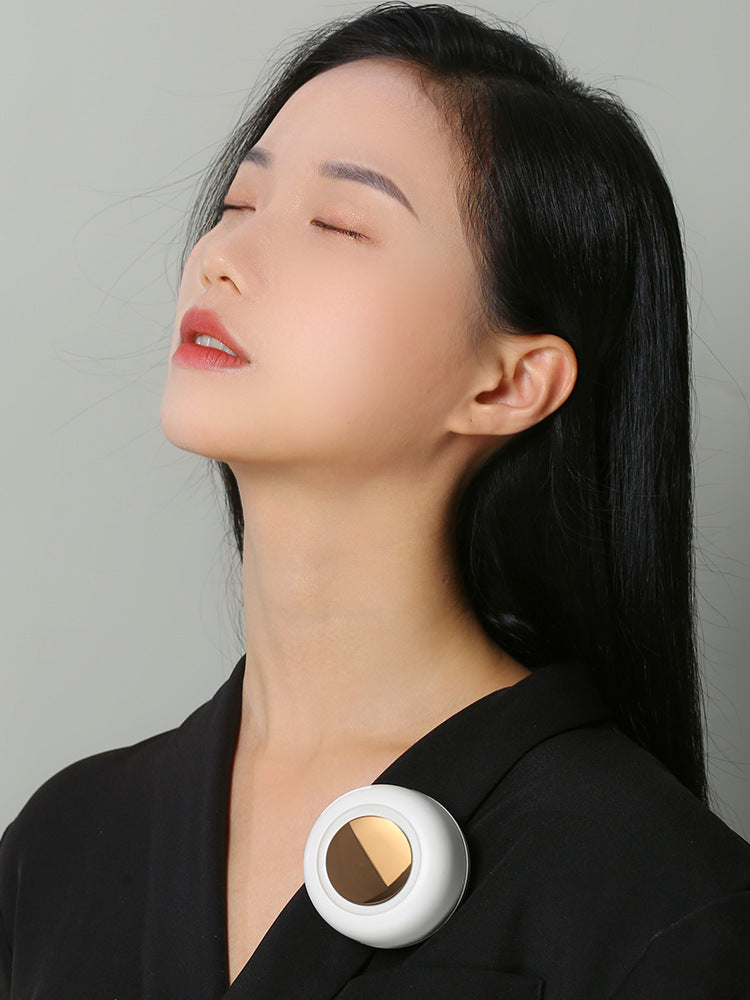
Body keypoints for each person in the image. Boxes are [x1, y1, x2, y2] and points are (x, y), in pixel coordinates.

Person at [1, 2, 748, 997]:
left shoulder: (661, 900)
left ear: (507, 383)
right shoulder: (64, 843)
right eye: (235, 204)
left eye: (338, 224)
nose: (221, 257)